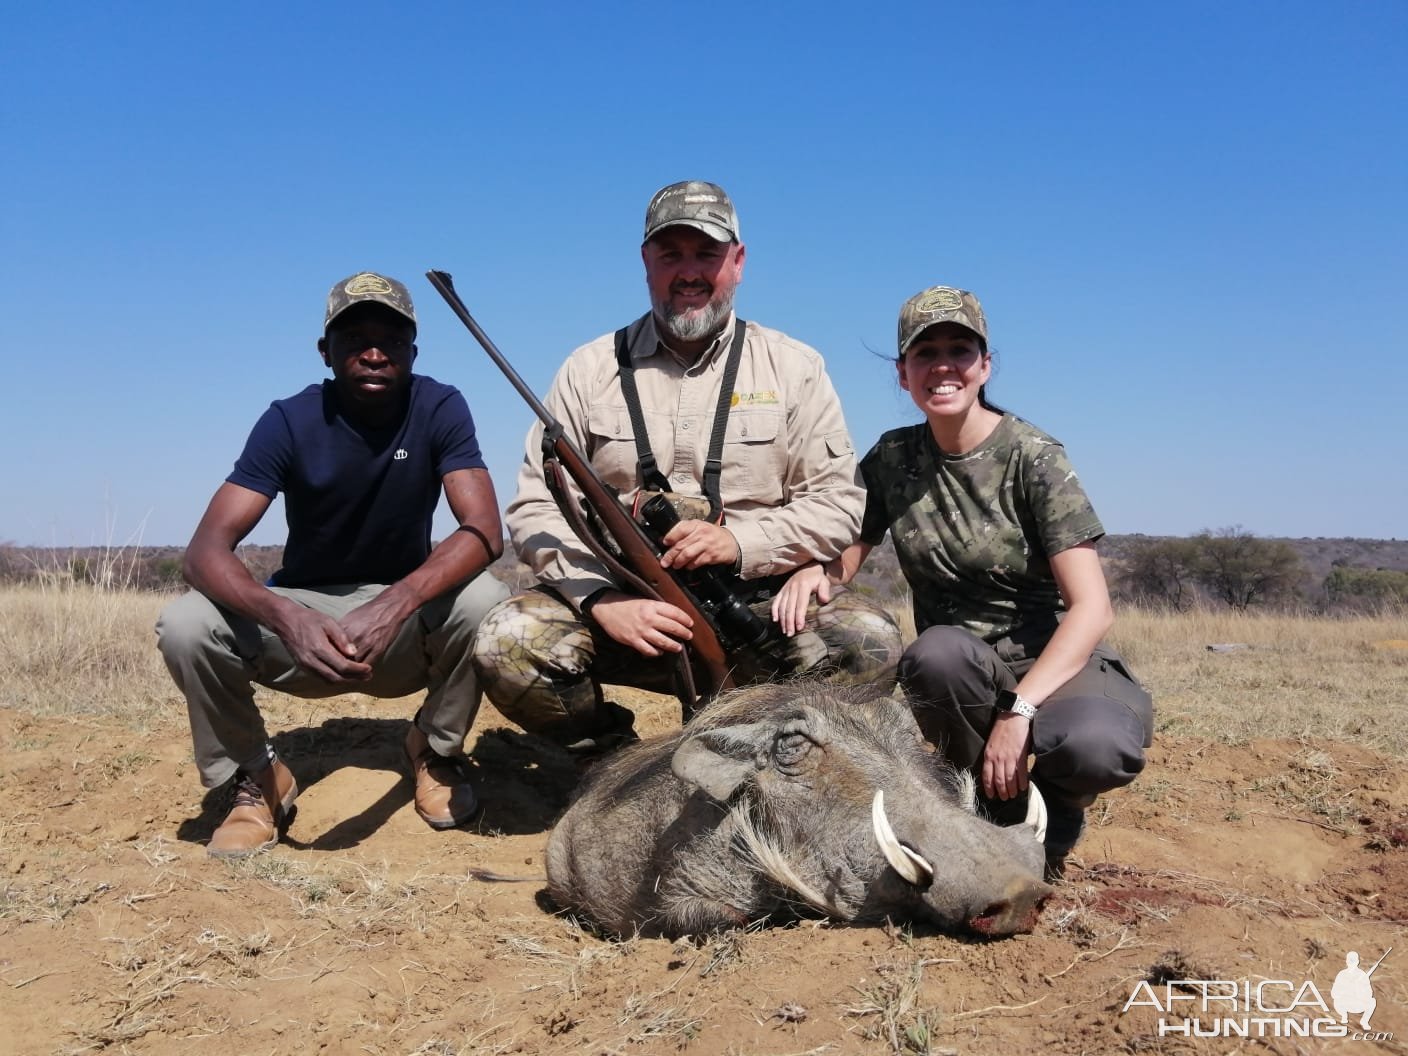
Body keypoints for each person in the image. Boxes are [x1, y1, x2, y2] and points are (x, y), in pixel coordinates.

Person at [471, 181, 902, 754]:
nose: (689, 272)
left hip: (756, 605)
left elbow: (839, 504)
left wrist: (741, 544)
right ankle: (611, 760)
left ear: (739, 262)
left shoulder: (795, 367)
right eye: (670, 254)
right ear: (646, 262)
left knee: (868, 640)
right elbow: (535, 506)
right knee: (509, 639)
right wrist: (602, 601)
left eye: (707, 254)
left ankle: (785, 757)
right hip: (626, 605)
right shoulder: (588, 368)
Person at [774, 284, 1153, 878]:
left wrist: (1019, 712)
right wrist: (811, 573)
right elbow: (844, 556)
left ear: (984, 366)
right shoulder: (891, 459)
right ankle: (993, 799)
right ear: (903, 374)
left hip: (1051, 659)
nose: (943, 366)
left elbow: (1092, 609)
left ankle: (1060, 804)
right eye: (925, 354)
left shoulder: (1035, 456)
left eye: (960, 349)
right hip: (961, 664)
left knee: (1095, 747)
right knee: (934, 653)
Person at [156, 271, 510, 858]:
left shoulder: (440, 405)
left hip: (400, 623)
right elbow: (204, 551)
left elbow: (483, 530)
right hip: (304, 616)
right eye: (354, 339)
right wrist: (285, 616)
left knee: (488, 600)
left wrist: (396, 601)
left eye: (391, 340)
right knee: (186, 625)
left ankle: (434, 749)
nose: (373, 353)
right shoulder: (289, 419)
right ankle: (258, 777)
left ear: (412, 351)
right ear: (326, 351)